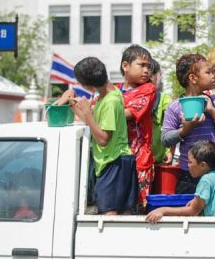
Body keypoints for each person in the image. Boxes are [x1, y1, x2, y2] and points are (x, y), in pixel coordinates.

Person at [58, 57, 138, 215]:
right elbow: (93, 124)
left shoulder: (110, 102)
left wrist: (87, 113)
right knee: (121, 215)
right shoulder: (106, 96)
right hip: (115, 162)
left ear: (88, 86)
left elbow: (102, 139)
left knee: (109, 215)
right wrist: (74, 106)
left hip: (114, 161)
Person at [161, 54, 215, 194]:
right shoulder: (175, 107)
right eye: (208, 72)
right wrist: (184, 130)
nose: (213, 76)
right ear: (193, 78)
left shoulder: (214, 101)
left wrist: (211, 110)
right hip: (189, 174)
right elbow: (165, 139)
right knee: (191, 212)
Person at [145, 140, 215, 223]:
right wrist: (195, 201)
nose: (188, 165)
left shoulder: (205, 181)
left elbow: (193, 211)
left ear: (203, 165)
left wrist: (163, 210)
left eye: (190, 162)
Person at [120, 45, 157, 207]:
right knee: (119, 205)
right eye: (142, 65)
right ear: (125, 66)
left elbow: (127, 114)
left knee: (138, 207)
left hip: (140, 160)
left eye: (148, 66)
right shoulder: (114, 91)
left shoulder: (148, 89)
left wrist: (99, 112)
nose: (146, 70)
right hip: (117, 158)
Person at [149, 58, 174, 165]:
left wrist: (171, 152)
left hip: (159, 160)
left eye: (152, 76)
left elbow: (174, 125)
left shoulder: (164, 99)